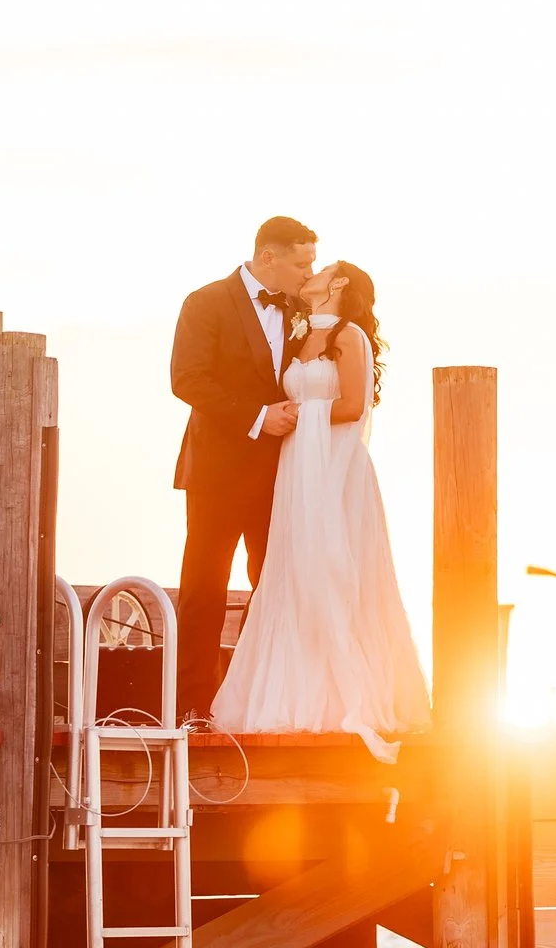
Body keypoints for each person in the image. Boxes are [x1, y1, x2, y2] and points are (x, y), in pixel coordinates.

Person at [207, 259, 431, 759]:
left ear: (339, 283)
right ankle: (290, 686)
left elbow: (353, 406)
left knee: (333, 566)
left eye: (321, 266)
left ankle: (340, 695)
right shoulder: (301, 332)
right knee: (293, 569)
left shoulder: (348, 337)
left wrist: (298, 414)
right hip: (296, 469)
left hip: (334, 468)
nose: (310, 270)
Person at [170, 216, 318, 723]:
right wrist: (258, 417)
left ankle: (256, 698)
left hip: (281, 474)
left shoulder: (303, 310)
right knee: (204, 589)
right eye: (302, 263)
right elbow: (187, 379)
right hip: (216, 471)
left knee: (275, 584)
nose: (309, 272)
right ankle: (193, 706)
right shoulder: (205, 302)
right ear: (268, 257)